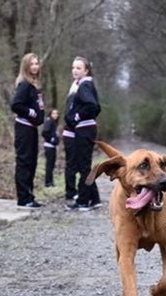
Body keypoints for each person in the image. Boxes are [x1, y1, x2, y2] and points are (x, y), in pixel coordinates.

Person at [64, 56, 102, 211]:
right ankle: (94, 199)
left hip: (85, 128)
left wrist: (77, 117)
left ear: (86, 70)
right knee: (84, 165)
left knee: (84, 166)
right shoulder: (81, 85)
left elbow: (93, 106)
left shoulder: (85, 85)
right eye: (73, 67)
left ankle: (83, 201)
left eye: (79, 68)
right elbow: (96, 107)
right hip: (84, 129)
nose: (75, 70)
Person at [10, 53, 45, 209]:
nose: (35, 67)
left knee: (32, 162)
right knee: (24, 162)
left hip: (32, 129)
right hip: (23, 128)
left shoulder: (34, 85)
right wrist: (31, 112)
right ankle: (23, 198)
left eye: (37, 63)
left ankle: (29, 196)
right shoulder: (24, 84)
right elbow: (16, 105)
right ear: (26, 66)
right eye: (32, 64)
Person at [41, 109, 60, 187]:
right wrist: (51, 140)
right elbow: (44, 132)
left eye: (57, 114)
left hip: (52, 146)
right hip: (49, 146)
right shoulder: (49, 121)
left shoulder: (54, 123)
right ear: (50, 114)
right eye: (53, 113)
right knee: (49, 165)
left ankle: (51, 181)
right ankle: (48, 182)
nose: (55, 115)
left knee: (51, 165)